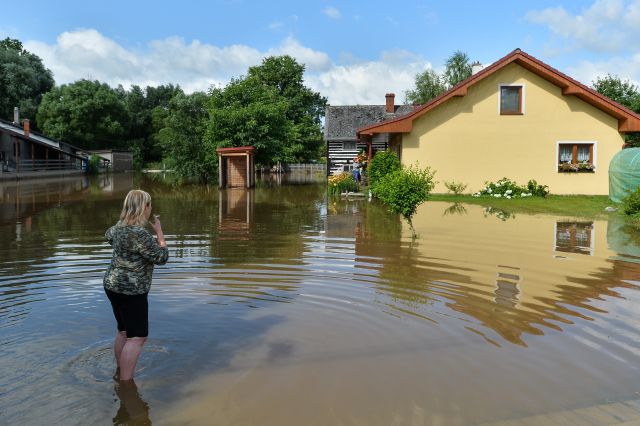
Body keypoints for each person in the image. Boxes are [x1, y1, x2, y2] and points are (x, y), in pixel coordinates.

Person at [104, 189, 169, 381]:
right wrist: (159, 233)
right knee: (137, 337)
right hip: (131, 291)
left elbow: (108, 236)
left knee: (123, 331)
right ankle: (126, 382)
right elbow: (162, 257)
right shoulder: (140, 234)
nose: (150, 208)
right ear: (144, 207)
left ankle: (119, 370)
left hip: (111, 285)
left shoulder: (118, 227)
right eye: (149, 204)